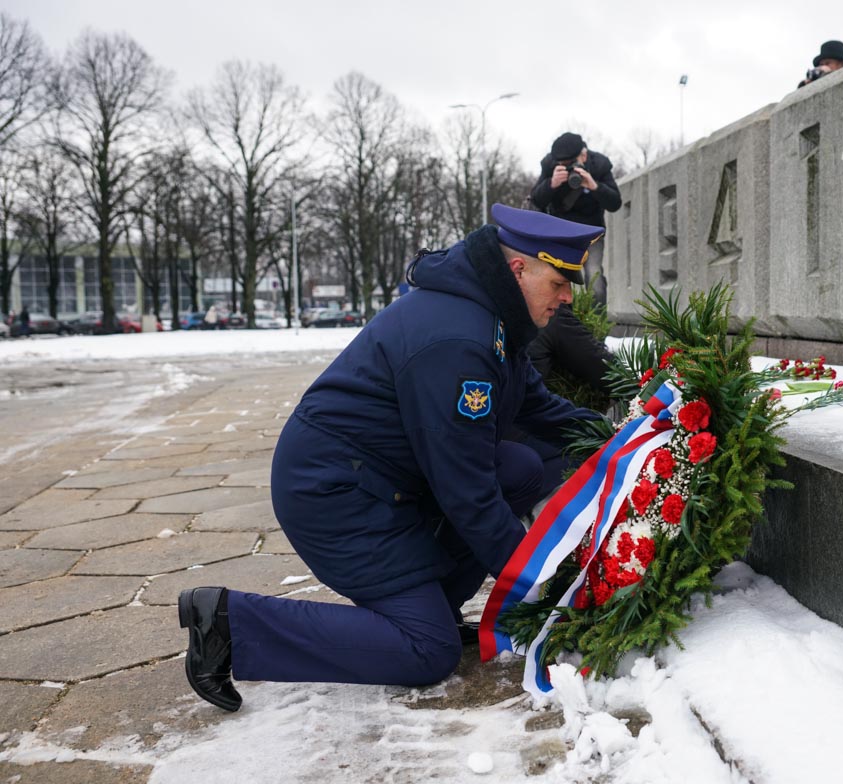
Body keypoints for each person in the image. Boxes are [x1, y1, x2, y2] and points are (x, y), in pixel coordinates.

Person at [178, 204, 605, 712]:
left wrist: (622, 434)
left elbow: (539, 407)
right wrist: (545, 587)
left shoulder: (496, 319)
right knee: (428, 654)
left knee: (518, 469)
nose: (567, 296)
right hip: (336, 494)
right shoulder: (459, 339)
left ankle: (430, 608)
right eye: (559, 281)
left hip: (383, 481)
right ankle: (228, 621)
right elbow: (467, 495)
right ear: (519, 269)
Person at [530, 132, 621, 306]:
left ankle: (597, 326)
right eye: (562, 164)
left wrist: (595, 186)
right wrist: (551, 184)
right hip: (560, 232)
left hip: (591, 232)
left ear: (583, 155)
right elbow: (536, 199)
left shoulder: (600, 165)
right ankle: (563, 322)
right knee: (559, 277)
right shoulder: (550, 164)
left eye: (571, 163)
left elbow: (615, 203)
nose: (567, 167)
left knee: (594, 277)